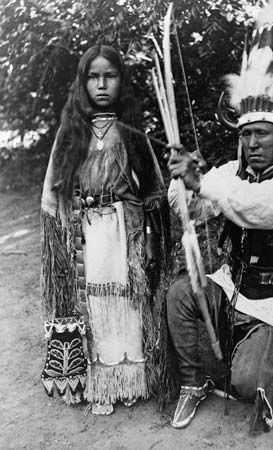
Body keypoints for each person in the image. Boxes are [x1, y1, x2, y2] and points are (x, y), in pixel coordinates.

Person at [165, 1, 273, 433]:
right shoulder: (233, 172)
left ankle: (249, 365)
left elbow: (256, 207)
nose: (252, 143)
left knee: (248, 383)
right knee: (180, 293)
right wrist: (184, 182)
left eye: (262, 134)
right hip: (232, 288)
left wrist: (204, 182)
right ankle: (194, 383)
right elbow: (194, 208)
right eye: (245, 134)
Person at [40, 45, 169, 415]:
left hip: (123, 233)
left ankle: (130, 379)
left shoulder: (132, 135)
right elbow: (53, 192)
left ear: (121, 82)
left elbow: (153, 196)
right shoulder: (70, 133)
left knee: (127, 303)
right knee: (93, 305)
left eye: (109, 76)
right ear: (83, 84)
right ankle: (97, 381)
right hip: (86, 235)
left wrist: (148, 241)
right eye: (93, 77)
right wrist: (62, 242)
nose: (101, 84)